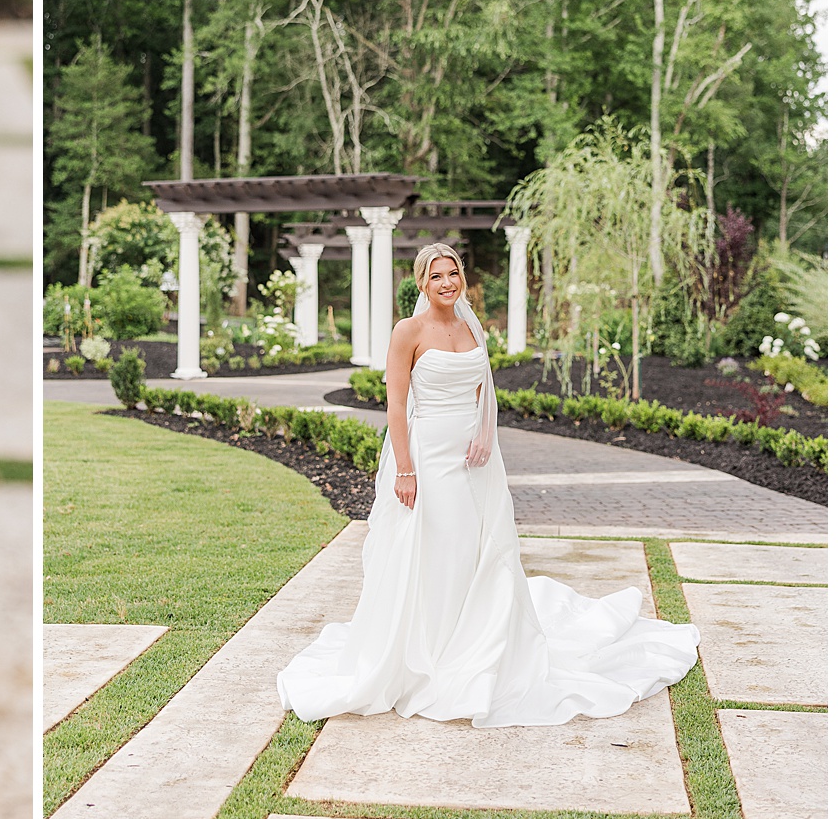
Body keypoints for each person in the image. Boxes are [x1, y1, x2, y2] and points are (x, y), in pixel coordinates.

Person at [277, 242, 699, 727]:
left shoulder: (471, 326)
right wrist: (406, 469)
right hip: (427, 456)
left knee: (477, 550)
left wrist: (484, 434)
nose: (446, 283)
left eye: (453, 273)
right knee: (435, 548)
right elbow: (396, 406)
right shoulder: (407, 332)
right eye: (436, 276)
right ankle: (428, 651)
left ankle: (478, 642)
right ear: (421, 283)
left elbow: (483, 392)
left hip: (474, 459)